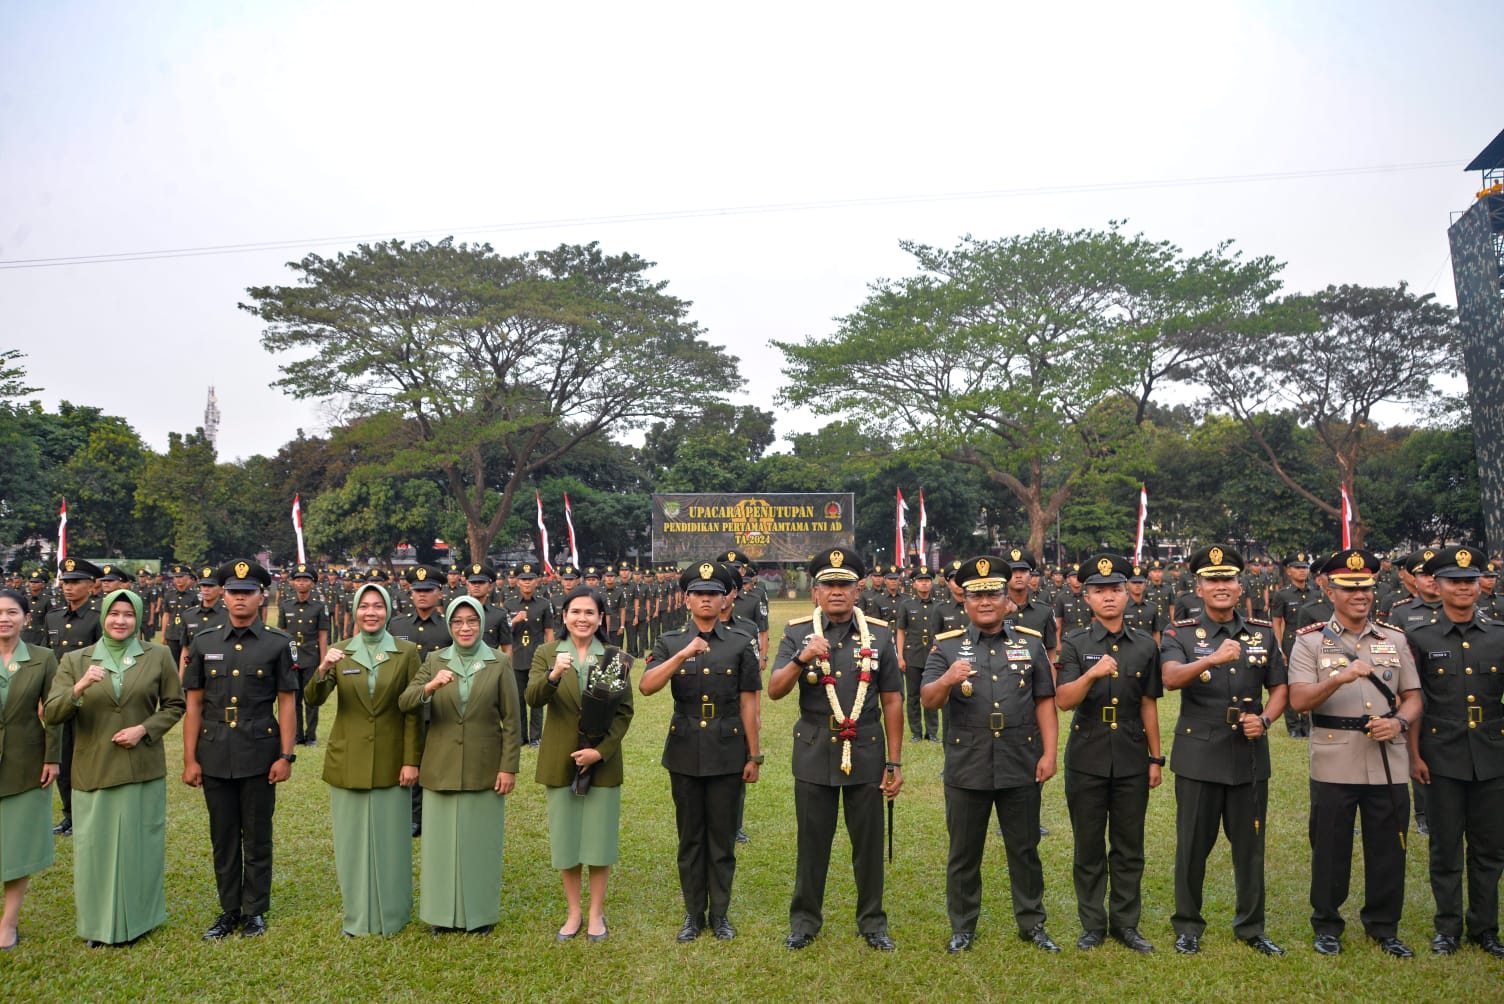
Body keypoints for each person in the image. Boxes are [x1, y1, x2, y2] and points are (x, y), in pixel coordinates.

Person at [921, 556, 1058, 954]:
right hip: (968, 764)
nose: (985, 601)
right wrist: (947, 679)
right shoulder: (947, 647)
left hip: (1021, 760)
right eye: (976, 594)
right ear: (964, 601)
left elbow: (1045, 702)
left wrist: (1050, 754)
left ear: (1007, 599)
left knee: (1025, 848)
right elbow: (928, 700)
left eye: (993, 594)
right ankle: (963, 926)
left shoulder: (1030, 642)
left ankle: (1032, 923)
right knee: (964, 852)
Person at [1287, 548, 1419, 957]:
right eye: (1350, 587)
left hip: (1387, 760)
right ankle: (1327, 926)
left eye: (1366, 586)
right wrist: (1340, 678)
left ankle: (1384, 927)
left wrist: (1398, 723)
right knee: (1330, 849)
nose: (1360, 594)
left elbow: (1412, 696)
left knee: (1388, 848)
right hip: (1334, 759)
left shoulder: (1394, 638)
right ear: (1330, 590)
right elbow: (1299, 700)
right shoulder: (1310, 642)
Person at [770, 548, 904, 951]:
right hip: (814, 749)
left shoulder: (878, 634)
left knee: (868, 844)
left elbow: (893, 699)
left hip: (865, 747)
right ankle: (805, 922)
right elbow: (775, 690)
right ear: (816, 592)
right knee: (812, 842)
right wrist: (802, 657)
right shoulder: (798, 632)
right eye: (828, 584)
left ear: (858, 589)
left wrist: (894, 761)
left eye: (844, 584)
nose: (837, 592)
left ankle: (872, 922)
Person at [1160, 544, 1287, 956]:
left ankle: (1251, 928)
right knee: (1192, 847)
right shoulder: (1179, 633)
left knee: (1250, 848)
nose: (1221, 586)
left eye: (1228, 579)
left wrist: (1265, 719)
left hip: (1248, 756)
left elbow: (1280, 687)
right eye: (1212, 580)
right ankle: (1188, 927)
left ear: (1239, 585)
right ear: (1198, 586)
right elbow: (1172, 678)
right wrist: (1211, 658)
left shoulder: (1262, 632)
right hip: (1199, 755)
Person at [44, 589, 185, 947]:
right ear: (103, 616)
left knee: (139, 846)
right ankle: (99, 927)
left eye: (128, 614)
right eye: (114, 613)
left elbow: (174, 704)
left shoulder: (159, 655)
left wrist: (144, 729)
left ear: (138, 619)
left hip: (141, 767)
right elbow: (54, 713)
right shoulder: (76, 660)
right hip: (94, 767)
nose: (120, 620)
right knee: (96, 850)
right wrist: (79, 687)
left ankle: (140, 920)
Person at [640, 561, 762, 942]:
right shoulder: (670, 641)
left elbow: (749, 703)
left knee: (722, 839)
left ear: (725, 598)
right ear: (687, 599)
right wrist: (683, 655)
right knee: (691, 838)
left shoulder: (741, 642)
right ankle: (694, 914)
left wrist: (753, 755)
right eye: (699, 593)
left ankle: (720, 914)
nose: (706, 599)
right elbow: (646, 686)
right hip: (685, 748)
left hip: (728, 748)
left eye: (713, 593)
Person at [181, 560, 299, 940]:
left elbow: (285, 703)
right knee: (224, 836)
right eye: (233, 592)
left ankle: (255, 911)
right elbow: (194, 705)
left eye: (248, 592)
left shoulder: (277, 643)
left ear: (261, 596)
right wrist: (189, 758)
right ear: (224, 595)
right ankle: (229, 909)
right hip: (214, 751)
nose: (240, 598)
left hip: (259, 752)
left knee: (258, 834)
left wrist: (286, 755)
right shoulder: (204, 641)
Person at [1054, 553, 1163, 953]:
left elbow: (1149, 703)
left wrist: (1156, 757)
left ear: (1127, 593)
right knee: (1088, 847)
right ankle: (1093, 925)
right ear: (1086, 597)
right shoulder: (1074, 644)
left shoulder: (1144, 647)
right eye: (1099, 591)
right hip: (1087, 758)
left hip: (1133, 758)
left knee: (1129, 846)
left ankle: (1126, 924)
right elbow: (1063, 701)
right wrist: (1091, 673)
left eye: (1116, 589)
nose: (1110, 597)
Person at [399, 596, 521, 934]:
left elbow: (512, 720)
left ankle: (478, 915)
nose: (465, 628)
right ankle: (441, 916)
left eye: (471, 621)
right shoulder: (436, 659)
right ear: (449, 625)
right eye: (457, 622)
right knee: (440, 847)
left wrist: (508, 766)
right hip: (440, 766)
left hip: (485, 765)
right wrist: (431, 685)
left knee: (480, 844)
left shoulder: (498, 662)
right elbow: (405, 701)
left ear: (482, 623)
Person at [1404, 545, 1504, 957]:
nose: (1463, 587)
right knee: (1445, 847)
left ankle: (1485, 928)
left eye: (1469, 580)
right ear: (1437, 585)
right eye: (1453, 581)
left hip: (1494, 758)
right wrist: (1413, 757)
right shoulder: (1420, 637)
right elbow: (1413, 702)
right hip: (1441, 757)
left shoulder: (1499, 635)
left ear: (1480, 584)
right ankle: (1447, 927)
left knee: (1489, 848)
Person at [305, 582, 421, 936]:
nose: (371, 612)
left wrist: (411, 760)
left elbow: (414, 712)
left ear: (388, 610)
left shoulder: (407, 652)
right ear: (355, 611)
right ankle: (356, 916)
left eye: (378, 606)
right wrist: (323, 668)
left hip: (391, 759)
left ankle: (393, 914)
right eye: (364, 606)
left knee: (392, 842)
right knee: (352, 844)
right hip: (348, 759)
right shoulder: (340, 651)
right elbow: (313, 698)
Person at [527, 586, 634, 943]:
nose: (582, 619)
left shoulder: (615, 656)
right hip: (560, 757)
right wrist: (554, 674)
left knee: (598, 841)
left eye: (590, 613)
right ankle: (573, 912)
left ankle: (595, 913)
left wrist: (599, 752)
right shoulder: (547, 653)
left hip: (601, 761)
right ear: (564, 616)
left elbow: (623, 713)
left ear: (601, 618)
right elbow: (532, 697)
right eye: (575, 612)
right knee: (567, 840)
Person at [0, 588, 61, 950]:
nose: (4, 618)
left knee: (17, 844)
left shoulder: (42, 658)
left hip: (26, 762)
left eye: (11, 612)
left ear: (25, 617)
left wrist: (52, 757)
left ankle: (9, 921)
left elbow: (53, 713)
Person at [278, 563, 329, 748]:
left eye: (305, 580)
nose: (301, 583)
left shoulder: (318, 607)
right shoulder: (285, 605)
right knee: (294, 699)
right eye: (298, 580)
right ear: (292, 583)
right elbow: (282, 634)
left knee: (311, 699)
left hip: (311, 657)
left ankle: (311, 736)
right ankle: (298, 734)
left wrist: (323, 662)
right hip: (291, 658)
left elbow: (322, 636)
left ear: (312, 583)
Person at [506, 562, 556, 748]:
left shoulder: (544, 604)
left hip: (537, 658)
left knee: (536, 699)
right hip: (517, 657)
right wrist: (514, 621)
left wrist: (550, 656)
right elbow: (504, 633)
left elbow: (549, 631)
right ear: (517, 582)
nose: (527, 583)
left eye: (530, 579)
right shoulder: (509, 604)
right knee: (518, 700)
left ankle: (536, 736)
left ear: (537, 582)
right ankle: (521, 736)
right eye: (523, 580)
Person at [1270, 553, 1318, 738]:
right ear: (1289, 571)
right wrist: (1279, 647)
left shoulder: (1315, 592)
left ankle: (1307, 723)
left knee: (1311, 681)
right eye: (1298, 568)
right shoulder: (1283, 594)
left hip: (1313, 641)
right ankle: (1293, 725)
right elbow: (1276, 621)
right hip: (1291, 641)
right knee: (1291, 682)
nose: (1302, 571)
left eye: (1305, 567)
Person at [896, 565, 941, 742]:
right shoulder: (906, 605)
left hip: (933, 656)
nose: (924, 584)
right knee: (913, 695)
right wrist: (900, 655)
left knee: (932, 693)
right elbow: (900, 630)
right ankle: (916, 732)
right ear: (914, 584)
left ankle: (932, 732)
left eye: (927, 580)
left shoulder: (939, 605)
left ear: (932, 583)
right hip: (912, 655)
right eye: (920, 581)